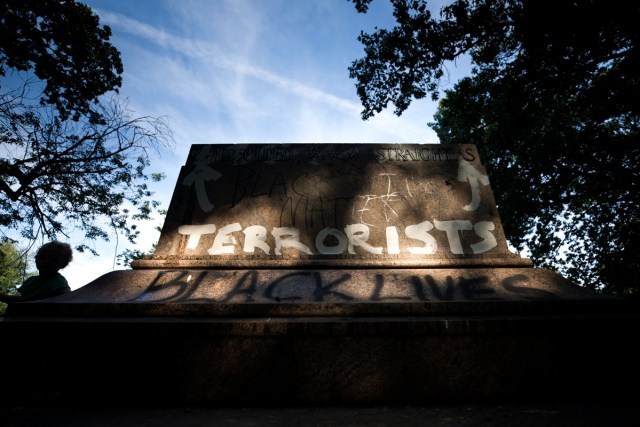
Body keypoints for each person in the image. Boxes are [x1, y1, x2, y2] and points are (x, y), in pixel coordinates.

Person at [0, 241, 72, 303]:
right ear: (36, 259)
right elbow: (22, 299)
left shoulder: (57, 281)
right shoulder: (30, 281)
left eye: (54, 259)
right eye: (42, 257)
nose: (46, 261)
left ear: (63, 265)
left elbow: (67, 298)